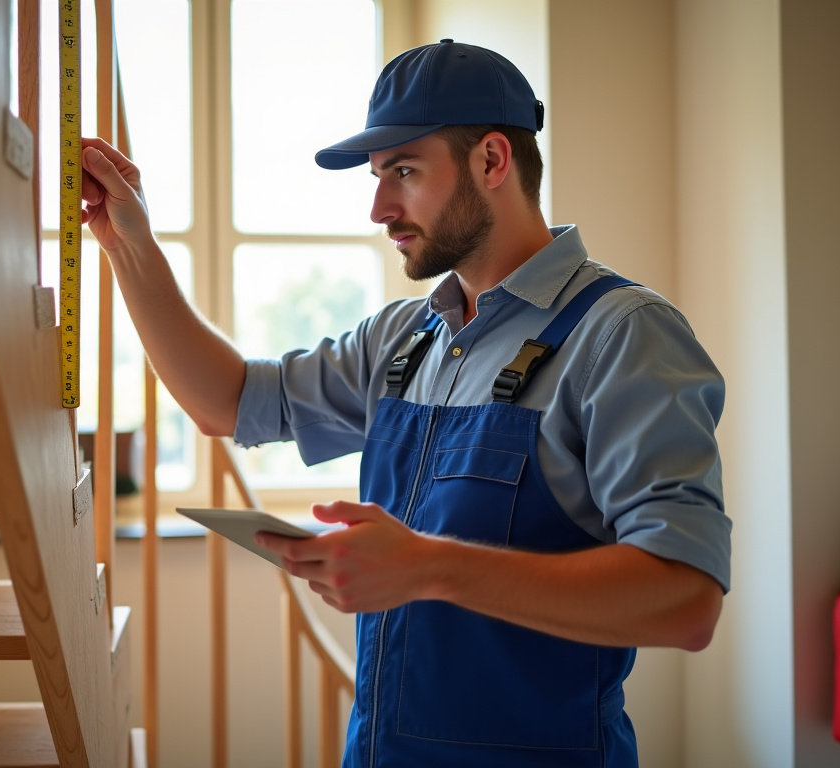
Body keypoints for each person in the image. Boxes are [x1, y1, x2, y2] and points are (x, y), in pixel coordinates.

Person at [82, 39, 730, 768]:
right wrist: (129, 246)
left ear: (492, 161)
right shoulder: (403, 337)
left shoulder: (622, 335)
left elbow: (686, 599)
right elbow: (227, 401)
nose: (378, 208)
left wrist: (427, 566)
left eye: (404, 172)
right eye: (378, 176)